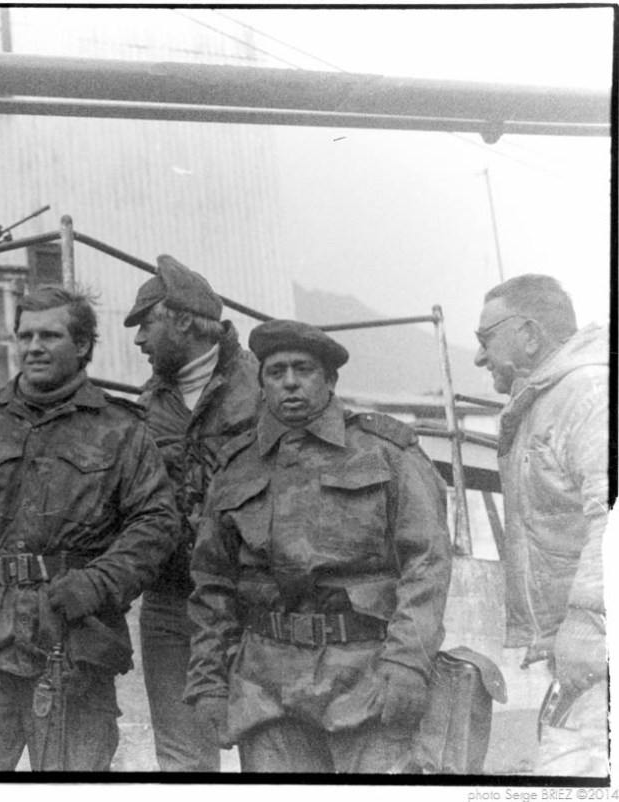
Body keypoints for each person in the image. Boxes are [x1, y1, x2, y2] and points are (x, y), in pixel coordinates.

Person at [0, 285, 178, 772]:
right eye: (25, 335)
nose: (33, 347)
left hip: (76, 649)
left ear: (83, 346)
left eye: (50, 335)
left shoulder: (121, 429)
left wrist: (100, 582)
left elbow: (156, 524)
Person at [185, 319, 452, 773]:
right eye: (275, 371)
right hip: (266, 690)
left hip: (366, 681)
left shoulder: (385, 451)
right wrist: (207, 681)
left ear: (329, 380)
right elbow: (212, 584)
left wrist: (409, 663)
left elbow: (426, 560)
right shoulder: (236, 467)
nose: (289, 381)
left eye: (304, 369)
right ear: (262, 383)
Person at [124, 254, 260, 772]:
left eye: (146, 324)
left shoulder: (264, 388)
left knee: (269, 753)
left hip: (248, 601)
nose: (138, 340)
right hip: (169, 603)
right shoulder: (149, 399)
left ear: (183, 319)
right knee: (183, 762)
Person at [473, 274, 609, 777]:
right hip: (585, 654)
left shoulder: (588, 391)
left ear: (529, 334)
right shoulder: (545, 399)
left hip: (599, 650)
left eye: (485, 338)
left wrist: (587, 621)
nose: (479, 357)